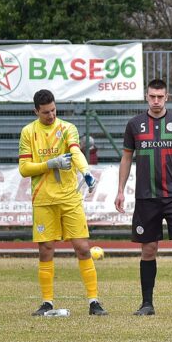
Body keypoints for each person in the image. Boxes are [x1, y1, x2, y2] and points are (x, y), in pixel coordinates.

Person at [115, 79, 172, 316]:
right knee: (148, 249)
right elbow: (127, 158)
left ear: (167, 97)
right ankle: (147, 304)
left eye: (160, 96)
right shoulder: (134, 125)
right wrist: (120, 189)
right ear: (146, 97)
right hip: (146, 197)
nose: (156, 101)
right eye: (152, 96)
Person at [19, 89, 105, 317]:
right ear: (36, 111)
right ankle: (47, 302)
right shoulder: (28, 132)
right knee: (46, 250)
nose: (51, 115)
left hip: (69, 198)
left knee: (83, 248)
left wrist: (85, 170)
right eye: (46, 112)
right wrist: (51, 163)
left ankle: (94, 301)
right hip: (43, 199)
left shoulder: (68, 128)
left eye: (53, 110)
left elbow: (75, 152)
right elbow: (24, 169)